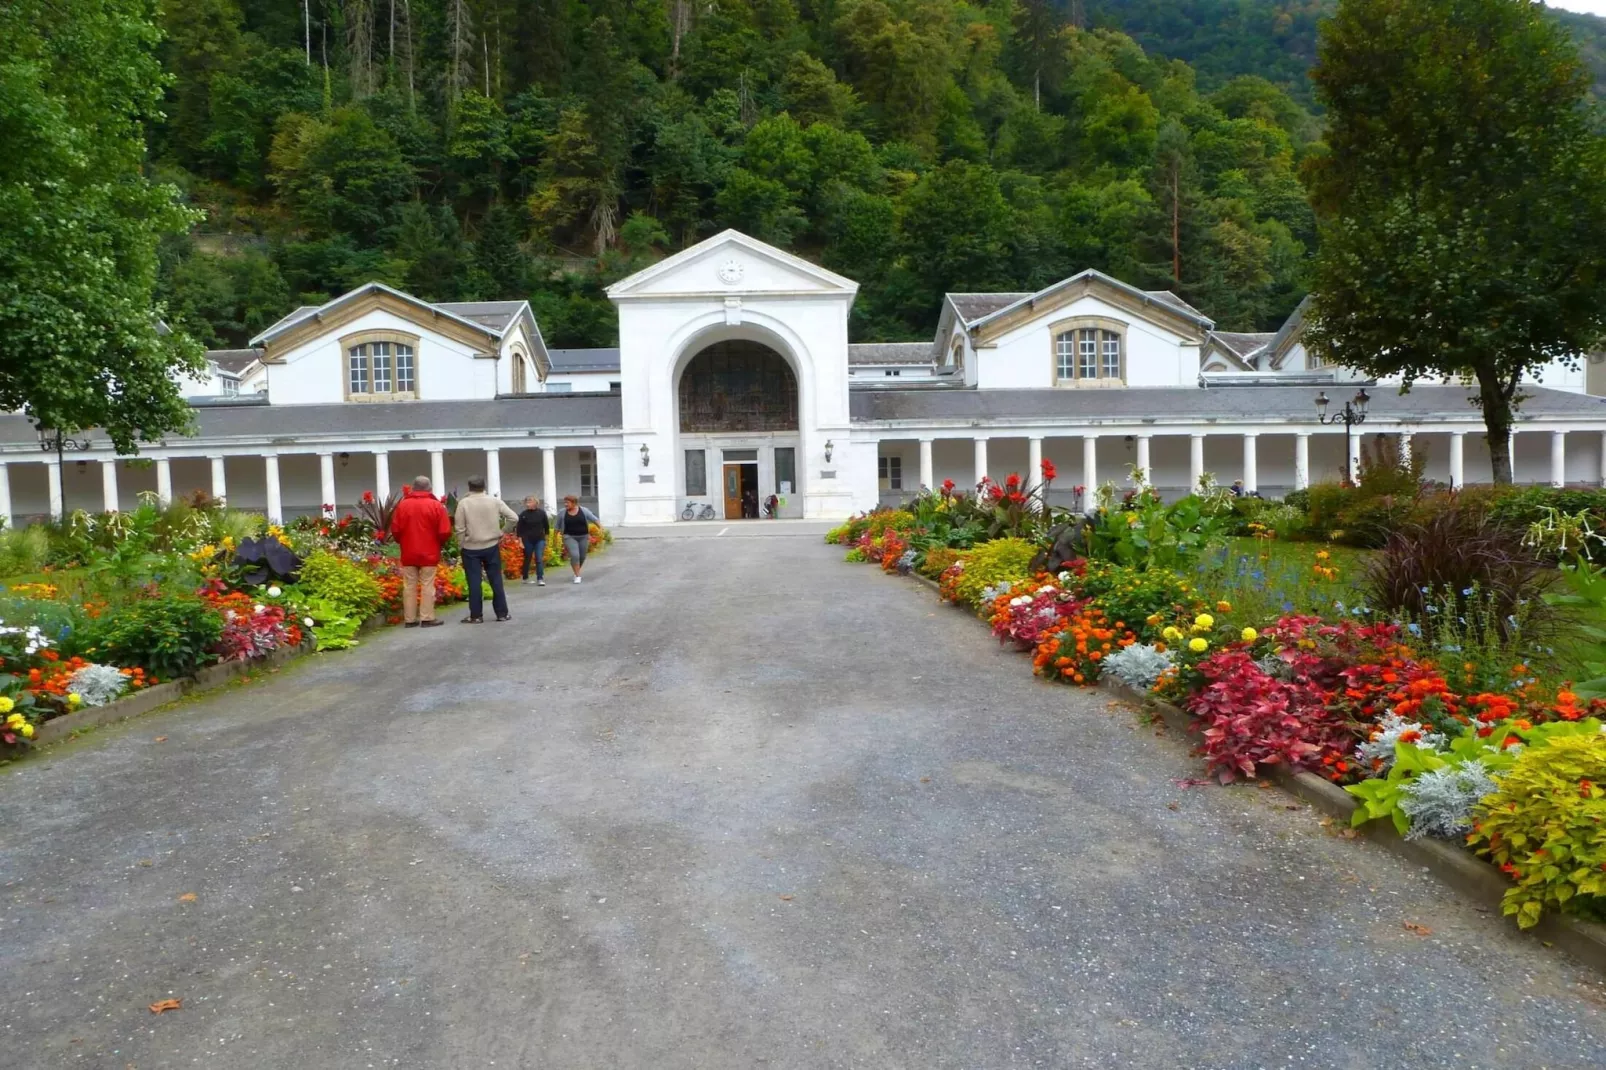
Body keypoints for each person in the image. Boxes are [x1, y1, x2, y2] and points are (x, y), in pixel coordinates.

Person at [390, 475, 451, 628]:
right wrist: (438, 543)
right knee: (427, 584)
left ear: (413, 488)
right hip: (429, 551)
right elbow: (444, 531)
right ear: (429, 488)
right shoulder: (436, 506)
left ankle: (409, 619)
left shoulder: (402, 505)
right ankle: (427, 617)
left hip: (408, 551)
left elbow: (395, 529)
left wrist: (403, 541)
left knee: (409, 585)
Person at [454, 476, 518, 622]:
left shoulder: (464, 503)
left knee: (474, 582)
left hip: (470, 547)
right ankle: (502, 613)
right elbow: (513, 518)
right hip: (491, 545)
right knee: (496, 579)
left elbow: (459, 528)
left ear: (469, 487)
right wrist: (502, 532)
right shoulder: (494, 501)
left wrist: (461, 544)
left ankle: (476, 615)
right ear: (484, 486)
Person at [558, 495, 600, 584]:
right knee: (575, 555)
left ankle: (576, 571)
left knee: (582, 557)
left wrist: (601, 529)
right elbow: (557, 526)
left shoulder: (584, 510)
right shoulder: (562, 512)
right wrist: (555, 538)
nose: (565, 504)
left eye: (567, 503)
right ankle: (577, 576)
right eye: (565, 502)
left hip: (583, 536)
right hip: (569, 537)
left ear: (574, 503)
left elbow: (595, 519)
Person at [515, 496, 550, 586]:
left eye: (530, 502)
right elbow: (519, 530)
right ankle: (525, 578)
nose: (528, 504)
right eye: (527, 502)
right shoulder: (523, 514)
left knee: (539, 558)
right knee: (528, 558)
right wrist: (520, 542)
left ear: (535, 503)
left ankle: (540, 578)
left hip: (539, 539)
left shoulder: (541, 513)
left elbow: (546, 527)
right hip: (527, 539)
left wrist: (546, 540)